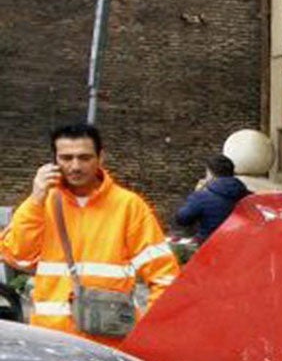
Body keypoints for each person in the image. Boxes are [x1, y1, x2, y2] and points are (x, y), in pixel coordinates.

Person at [0, 122, 178, 337]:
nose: (75, 166)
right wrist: (35, 199)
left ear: (100, 158)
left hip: (107, 341)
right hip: (51, 338)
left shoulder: (129, 206)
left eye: (84, 157)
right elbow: (18, 255)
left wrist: (150, 332)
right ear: (54, 161)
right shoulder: (42, 203)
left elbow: (165, 277)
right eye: (66, 158)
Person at [172, 153, 251, 243]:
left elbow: (182, 218)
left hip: (209, 244)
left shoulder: (202, 197)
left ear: (211, 174)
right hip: (240, 243)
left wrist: (196, 194)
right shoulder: (249, 196)